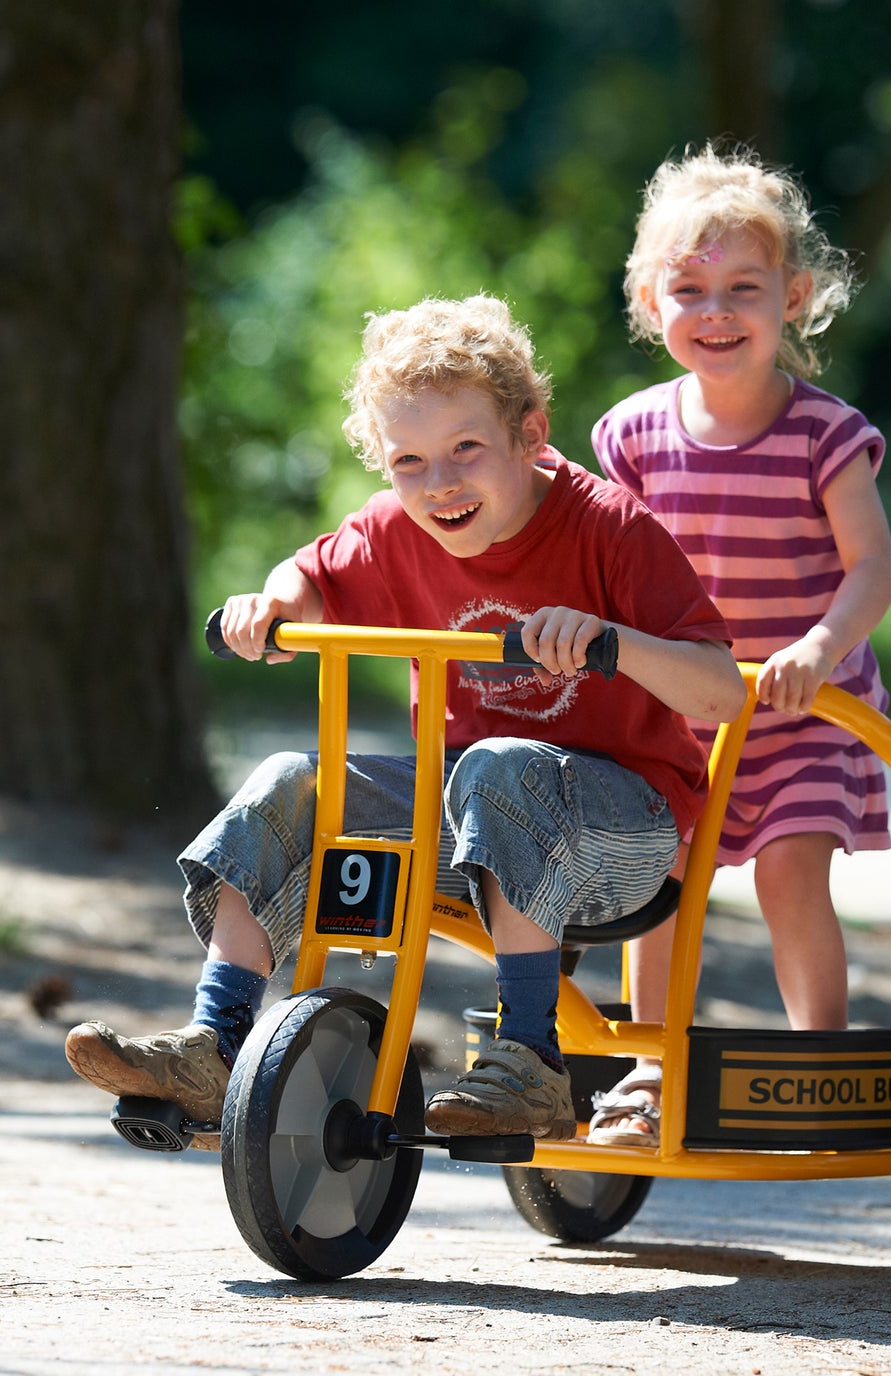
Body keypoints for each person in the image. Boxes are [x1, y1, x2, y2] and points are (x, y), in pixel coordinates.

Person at [65, 294, 746, 1144]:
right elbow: (308, 574)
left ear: (530, 435)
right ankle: (216, 1041)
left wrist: (613, 640)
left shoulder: (607, 527)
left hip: (629, 836)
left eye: (467, 449)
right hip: (474, 823)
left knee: (495, 766)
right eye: (409, 461)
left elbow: (722, 694)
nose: (441, 483)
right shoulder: (399, 529)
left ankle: (530, 1059)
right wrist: (272, 604)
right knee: (292, 779)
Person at [585, 144, 891, 1145]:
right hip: (683, 706)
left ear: (793, 297)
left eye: (742, 289)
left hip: (802, 704)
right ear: (647, 301)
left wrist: (820, 643)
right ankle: (646, 1066)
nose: (713, 312)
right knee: (657, 875)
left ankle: (823, 1064)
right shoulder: (629, 437)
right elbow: (607, 568)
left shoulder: (822, 434)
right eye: (687, 290)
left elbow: (871, 569)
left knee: (786, 873)